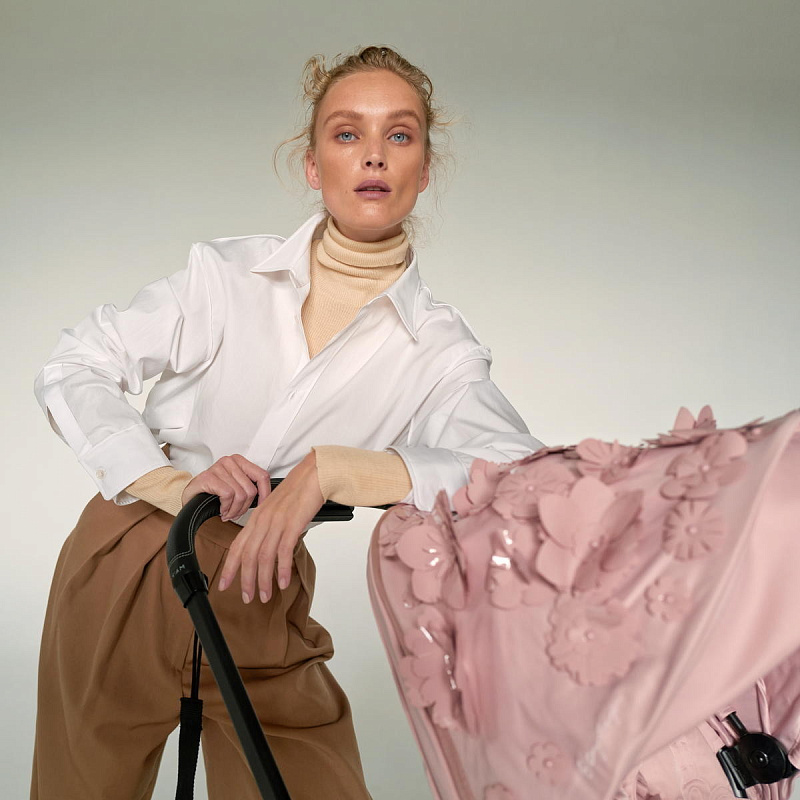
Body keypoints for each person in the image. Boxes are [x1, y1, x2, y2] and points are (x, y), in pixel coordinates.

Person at [30, 44, 543, 799]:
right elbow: (74, 365)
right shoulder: (225, 276)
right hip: (125, 565)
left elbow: (522, 475)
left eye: (400, 135)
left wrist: (336, 470)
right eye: (347, 133)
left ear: (425, 169)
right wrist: (169, 484)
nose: (373, 154)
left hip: (260, 588)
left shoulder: (439, 346)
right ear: (312, 165)